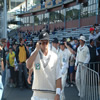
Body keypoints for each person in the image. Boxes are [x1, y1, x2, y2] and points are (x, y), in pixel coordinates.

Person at [26, 31, 62, 100]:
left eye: (46, 42)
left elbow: (58, 77)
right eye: (42, 42)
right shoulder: (34, 54)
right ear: (39, 42)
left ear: (49, 42)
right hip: (37, 94)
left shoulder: (54, 56)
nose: (45, 44)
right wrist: (36, 50)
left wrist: (58, 94)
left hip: (51, 94)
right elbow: (28, 65)